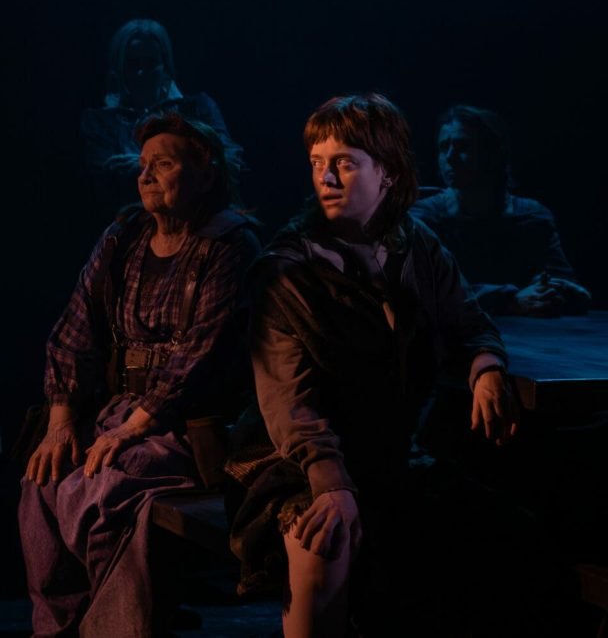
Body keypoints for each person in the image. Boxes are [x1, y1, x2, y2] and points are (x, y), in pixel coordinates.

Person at [228, 93, 521, 637]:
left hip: (392, 450)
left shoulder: (416, 245)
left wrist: (486, 365)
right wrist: (330, 479)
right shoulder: (286, 268)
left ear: (386, 172)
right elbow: (289, 398)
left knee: (497, 532)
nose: (327, 178)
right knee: (325, 541)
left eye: (344, 162)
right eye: (318, 163)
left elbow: (468, 319)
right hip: (298, 454)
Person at [20, 113, 259, 638]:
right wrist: (60, 425)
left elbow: (202, 355)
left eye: (164, 164)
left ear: (206, 172)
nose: (145, 175)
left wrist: (132, 428)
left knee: (106, 489)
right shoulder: (124, 236)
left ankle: (120, 628)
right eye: (143, 165)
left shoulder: (230, 246)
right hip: (118, 413)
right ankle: (60, 627)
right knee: (41, 482)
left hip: (187, 426)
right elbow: (74, 329)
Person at [413, 105, 590, 316]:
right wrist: (509, 299)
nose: (449, 156)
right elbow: (425, 286)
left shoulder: (531, 217)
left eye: (463, 146)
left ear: (494, 152)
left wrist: (549, 290)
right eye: (444, 147)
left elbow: (561, 278)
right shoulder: (425, 217)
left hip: (537, 340)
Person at [80, 19, 242, 214]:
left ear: (165, 65)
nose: (141, 72)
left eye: (150, 63)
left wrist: (144, 165)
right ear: (119, 67)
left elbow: (229, 162)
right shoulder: (100, 121)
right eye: (133, 63)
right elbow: (102, 182)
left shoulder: (197, 108)